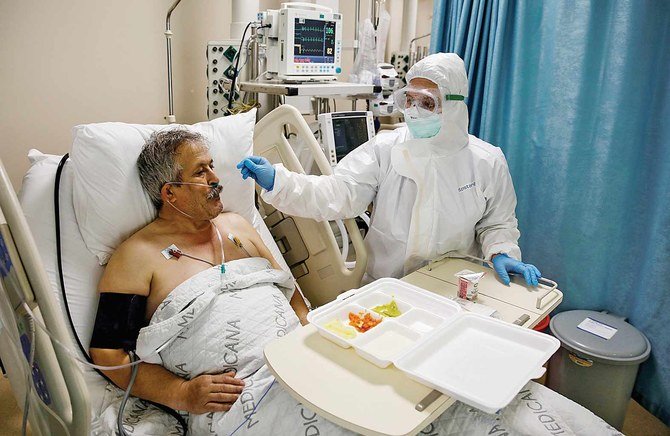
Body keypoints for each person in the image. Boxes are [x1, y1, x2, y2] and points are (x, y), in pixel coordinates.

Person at [238, 53, 541, 286]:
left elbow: (497, 223)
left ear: (454, 105)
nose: (413, 110)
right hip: (386, 287)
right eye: (409, 99)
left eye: (427, 102)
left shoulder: (487, 162)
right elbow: (339, 192)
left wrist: (501, 251)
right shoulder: (387, 148)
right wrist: (279, 181)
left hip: (451, 290)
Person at [89, 129, 309, 415]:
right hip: (242, 397)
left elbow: (289, 292)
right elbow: (107, 353)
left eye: (212, 167)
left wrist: (310, 335)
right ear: (170, 193)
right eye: (200, 172)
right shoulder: (136, 255)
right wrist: (180, 393)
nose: (215, 179)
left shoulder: (237, 226)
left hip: (303, 360)